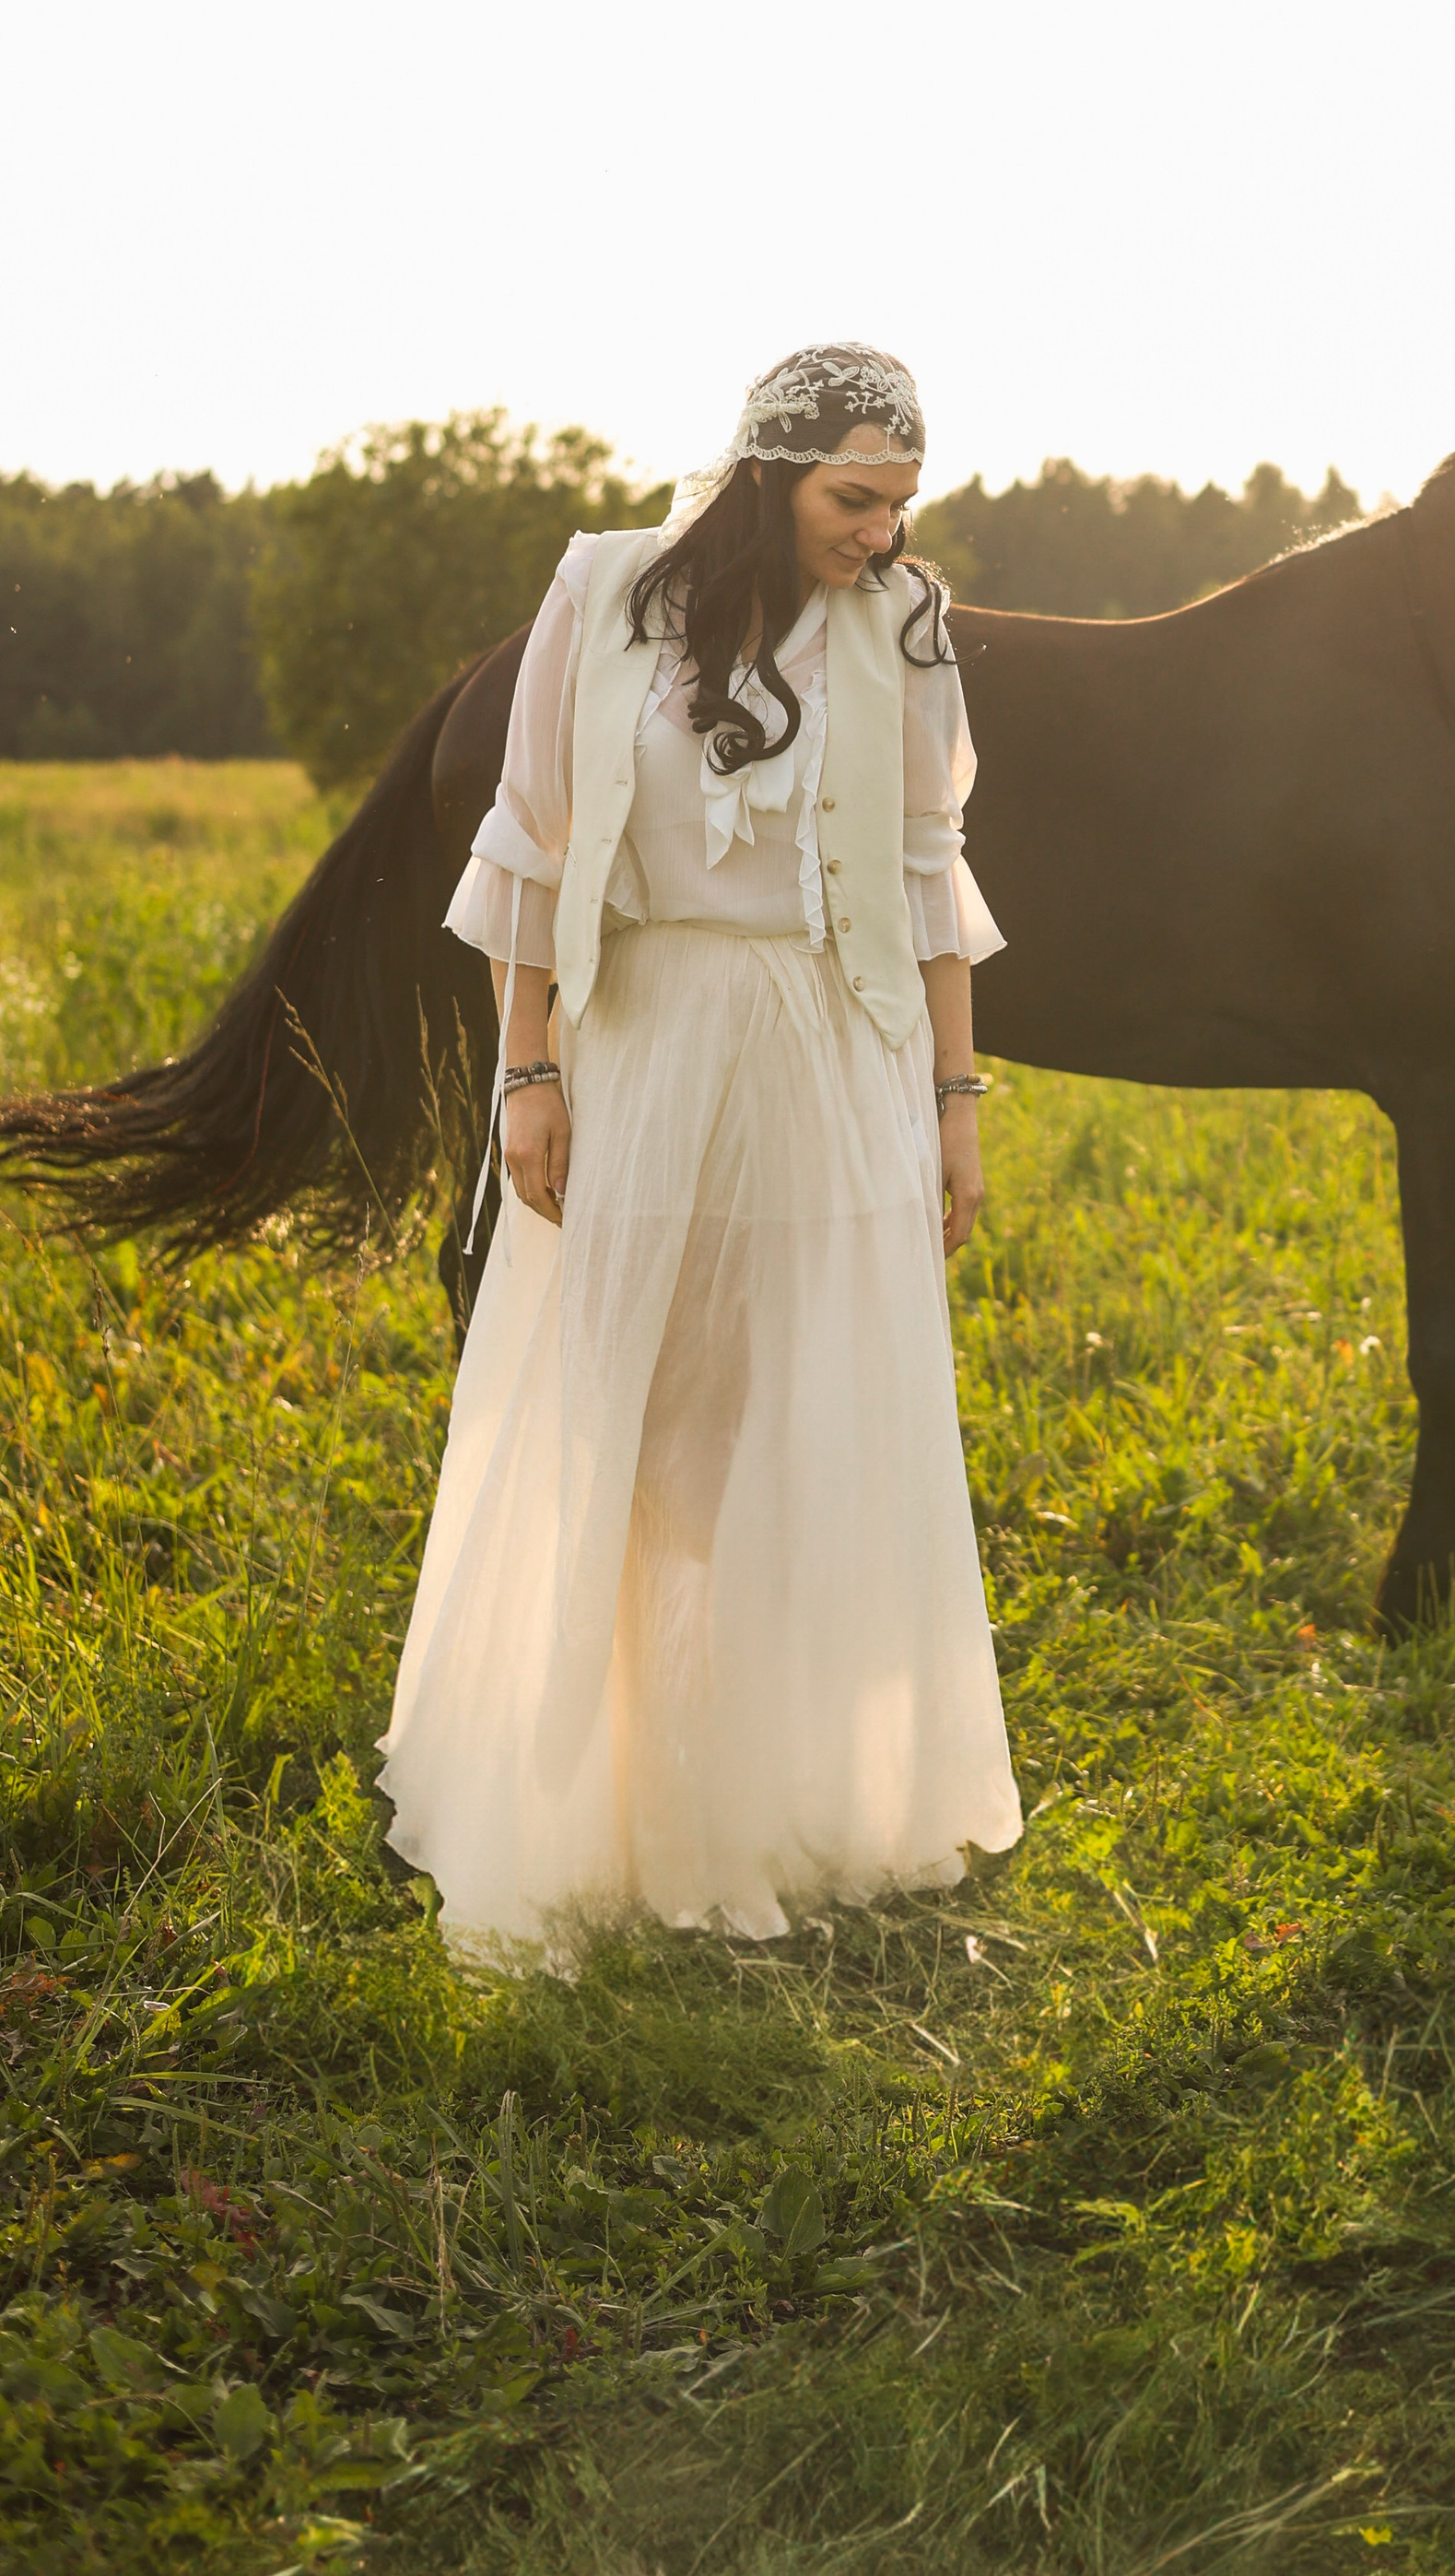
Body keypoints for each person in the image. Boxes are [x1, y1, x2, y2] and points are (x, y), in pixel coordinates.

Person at [377, 345, 1024, 1951]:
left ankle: (737, 1802)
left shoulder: (906, 624)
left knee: (772, 1431)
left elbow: (931, 871)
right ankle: (621, 1802)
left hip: (832, 1057)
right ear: (766, 473)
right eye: (851, 498)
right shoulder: (604, 596)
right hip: (648, 1043)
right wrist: (527, 1067)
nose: (878, 532)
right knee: (645, 1417)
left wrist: (956, 1105)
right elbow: (528, 848)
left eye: (900, 504)